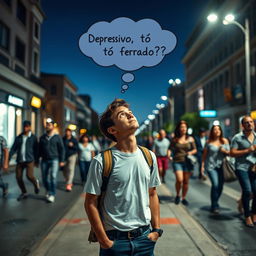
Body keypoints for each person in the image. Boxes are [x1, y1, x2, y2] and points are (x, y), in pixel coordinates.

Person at [84, 99, 162, 256]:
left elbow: (152, 194)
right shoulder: (102, 161)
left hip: (145, 238)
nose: (129, 114)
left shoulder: (149, 156)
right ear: (113, 130)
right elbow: (90, 203)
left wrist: (156, 231)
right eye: (122, 114)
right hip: (114, 242)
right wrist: (104, 241)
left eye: (130, 112)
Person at [230, 115, 256, 228]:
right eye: (246, 122)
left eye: (251, 122)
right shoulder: (237, 138)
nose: (249, 124)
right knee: (247, 191)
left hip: (254, 168)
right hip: (241, 168)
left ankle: (254, 213)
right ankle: (247, 216)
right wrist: (247, 150)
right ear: (242, 125)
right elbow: (232, 153)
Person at [201, 125, 230, 214]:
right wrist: (202, 167)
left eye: (218, 129)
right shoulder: (208, 142)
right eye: (215, 129)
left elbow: (229, 153)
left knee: (220, 187)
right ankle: (214, 205)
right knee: (215, 185)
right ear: (212, 131)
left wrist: (224, 151)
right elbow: (204, 156)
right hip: (211, 166)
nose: (217, 131)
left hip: (222, 166)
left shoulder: (224, 141)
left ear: (221, 131)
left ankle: (215, 201)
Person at [9, 120, 40, 201]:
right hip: (20, 160)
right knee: (18, 177)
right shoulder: (19, 137)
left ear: (30, 127)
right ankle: (24, 192)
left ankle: (35, 183)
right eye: (24, 126)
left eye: (27, 126)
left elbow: (37, 150)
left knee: (29, 176)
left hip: (30, 160)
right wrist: (8, 158)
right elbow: (13, 149)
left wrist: (37, 161)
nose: (25, 128)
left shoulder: (33, 137)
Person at [170, 120, 197, 206]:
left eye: (185, 127)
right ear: (179, 128)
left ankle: (183, 197)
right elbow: (170, 148)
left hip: (187, 162)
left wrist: (191, 152)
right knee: (179, 179)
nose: (183, 128)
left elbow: (195, 149)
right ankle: (178, 195)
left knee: (186, 182)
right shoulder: (175, 139)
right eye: (182, 127)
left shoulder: (190, 139)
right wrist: (169, 155)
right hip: (177, 161)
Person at [39, 118, 65, 203]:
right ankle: (48, 190)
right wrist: (36, 160)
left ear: (53, 126)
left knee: (53, 177)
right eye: (46, 124)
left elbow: (62, 149)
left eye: (49, 124)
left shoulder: (57, 137)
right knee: (44, 178)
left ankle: (52, 194)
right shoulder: (42, 137)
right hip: (44, 160)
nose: (47, 126)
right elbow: (39, 150)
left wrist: (62, 160)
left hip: (55, 160)